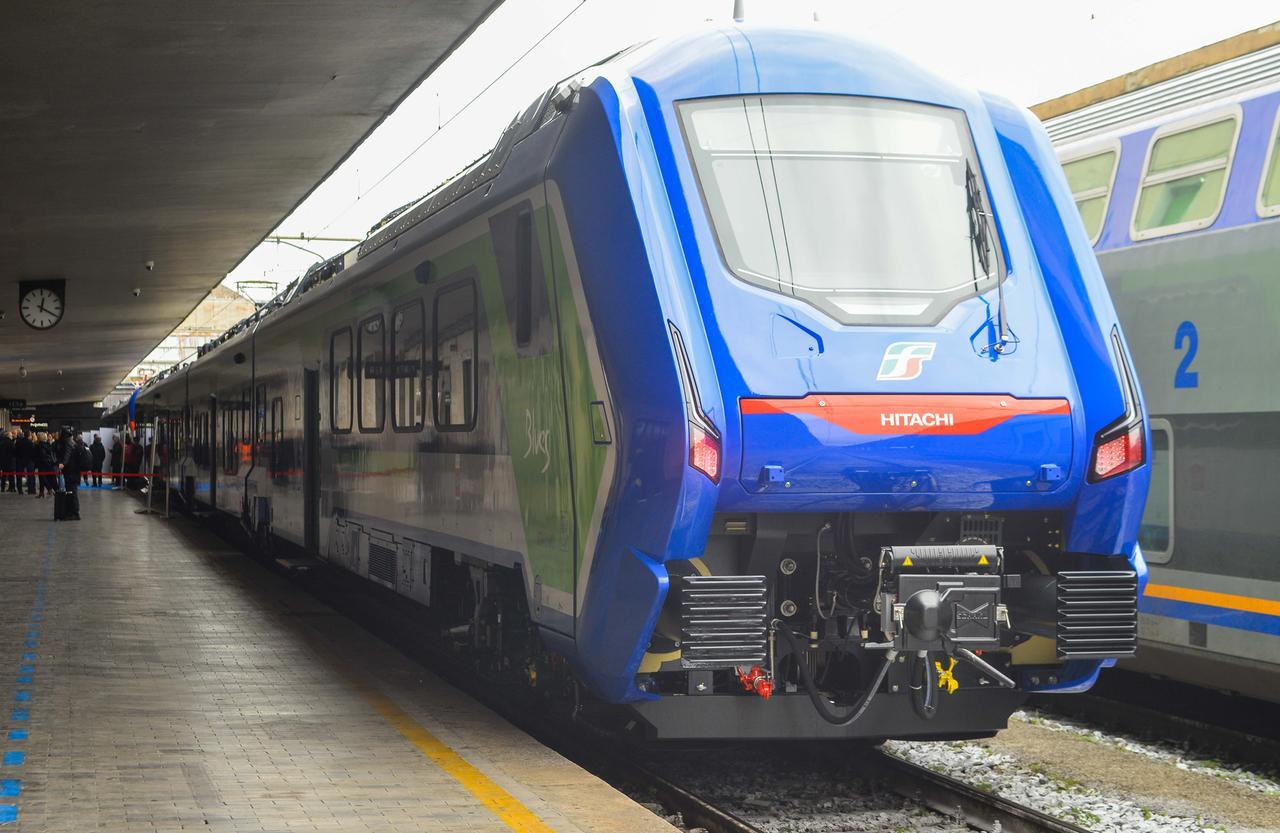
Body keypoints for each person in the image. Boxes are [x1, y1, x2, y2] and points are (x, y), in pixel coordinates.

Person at [57, 429, 85, 521]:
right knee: (72, 492)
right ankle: (72, 512)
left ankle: (74, 513)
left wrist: (63, 464)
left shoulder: (68, 443)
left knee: (72, 492)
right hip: (74, 472)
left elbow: (67, 455)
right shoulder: (72, 442)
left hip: (71, 473)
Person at [33, 432, 56, 499]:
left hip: (42, 463)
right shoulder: (47, 444)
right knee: (42, 478)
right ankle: (41, 492)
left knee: (42, 478)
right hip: (48, 464)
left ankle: (49, 489)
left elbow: (41, 455)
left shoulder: (40, 445)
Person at [14, 430, 33, 495]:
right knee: (30, 475)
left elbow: (15, 451)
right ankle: (30, 490)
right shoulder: (30, 442)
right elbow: (32, 452)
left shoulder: (19, 442)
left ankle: (20, 490)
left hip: (19, 460)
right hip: (29, 460)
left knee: (19, 476)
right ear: (29, 435)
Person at [0, 428, 14, 493]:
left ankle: (2, 488)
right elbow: (14, 452)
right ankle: (11, 488)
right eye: (11, 435)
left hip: (3, 461)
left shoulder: (1, 443)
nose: (12, 436)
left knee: (4, 475)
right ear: (8, 436)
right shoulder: (11, 443)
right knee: (11, 475)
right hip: (10, 461)